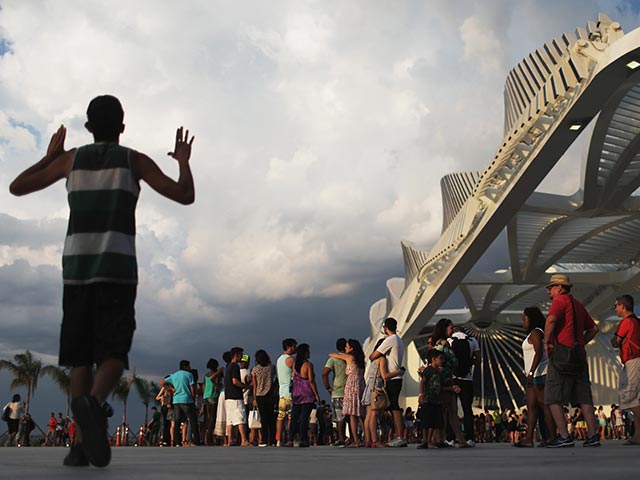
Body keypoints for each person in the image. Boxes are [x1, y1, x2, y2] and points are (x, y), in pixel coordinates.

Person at [9, 95, 195, 467]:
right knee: (113, 353)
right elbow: (184, 196)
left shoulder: (70, 160)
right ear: (122, 127)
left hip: (76, 272)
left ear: (89, 127)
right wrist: (184, 163)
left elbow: (17, 187)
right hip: (118, 271)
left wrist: (50, 155)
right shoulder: (134, 160)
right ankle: (92, 409)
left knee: (80, 359)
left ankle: (79, 446)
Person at [543, 274, 600, 447]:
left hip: (562, 355)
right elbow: (594, 329)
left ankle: (564, 436)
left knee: (552, 396)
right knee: (584, 396)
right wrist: (581, 341)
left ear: (559, 288)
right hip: (579, 355)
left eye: (551, 287)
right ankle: (592, 436)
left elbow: (551, 320)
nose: (548, 291)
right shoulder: (579, 305)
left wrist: (547, 342)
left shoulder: (559, 301)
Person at [514, 306, 556, 447]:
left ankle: (552, 437)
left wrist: (531, 372)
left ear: (531, 319)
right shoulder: (533, 333)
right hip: (533, 375)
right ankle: (528, 439)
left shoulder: (537, 333)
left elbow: (538, 353)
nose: (522, 322)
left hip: (539, 374)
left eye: (524, 319)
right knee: (531, 406)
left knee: (544, 405)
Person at [369, 317, 406, 447]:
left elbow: (373, 356)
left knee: (395, 408)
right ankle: (399, 435)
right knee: (394, 407)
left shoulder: (390, 340)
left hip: (392, 378)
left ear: (385, 328)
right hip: (396, 377)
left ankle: (400, 436)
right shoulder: (399, 340)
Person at [362, 338, 404, 448]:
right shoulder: (382, 359)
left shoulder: (373, 359)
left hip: (369, 386)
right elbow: (385, 375)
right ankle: (375, 441)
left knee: (369, 415)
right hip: (376, 387)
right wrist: (398, 372)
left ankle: (368, 440)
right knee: (374, 414)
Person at [611, 294, 640, 445]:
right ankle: (637, 436)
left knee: (627, 396)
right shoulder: (636, 321)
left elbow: (615, 342)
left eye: (616, 305)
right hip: (635, 361)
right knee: (634, 398)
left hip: (633, 362)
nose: (615, 308)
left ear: (623, 306)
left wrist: (614, 337)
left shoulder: (627, 322)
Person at [329, 339, 366, 447]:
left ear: (351, 349)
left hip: (351, 386)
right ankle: (366, 437)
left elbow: (332, 355)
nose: (345, 349)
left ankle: (356, 440)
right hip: (360, 385)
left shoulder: (350, 357)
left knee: (352, 415)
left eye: (347, 347)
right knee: (361, 414)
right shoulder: (360, 359)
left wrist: (338, 354)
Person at [448, 327, 481, 446]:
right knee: (467, 409)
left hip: (453, 379)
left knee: (451, 409)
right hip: (467, 379)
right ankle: (470, 438)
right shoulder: (472, 341)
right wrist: (467, 362)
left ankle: (450, 438)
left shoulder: (450, 341)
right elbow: (478, 360)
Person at [162, 360, 201, 446]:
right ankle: (196, 441)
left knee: (177, 421)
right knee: (192, 420)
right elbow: (192, 388)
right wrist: (193, 398)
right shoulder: (189, 375)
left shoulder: (174, 375)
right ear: (185, 366)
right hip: (187, 400)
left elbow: (162, 382)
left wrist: (171, 389)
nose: (190, 368)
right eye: (189, 366)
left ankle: (177, 442)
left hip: (176, 401)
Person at [289, 343, 320, 447]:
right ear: (305, 353)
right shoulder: (308, 365)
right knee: (304, 417)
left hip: (296, 392)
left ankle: (291, 438)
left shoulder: (295, 365)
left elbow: (294, 377)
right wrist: (316, 394)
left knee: (294, 417)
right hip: (307, 393)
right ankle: (303, 439)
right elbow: (311, 380)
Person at [322, 338, 348, 446]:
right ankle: (352, 437)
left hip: (337, 391)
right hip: (349, 390)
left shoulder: (333, 359)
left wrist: (328, 387)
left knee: (339, 417)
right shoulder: (349, 358)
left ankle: (341, 439)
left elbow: (324, 373)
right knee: (350, 416)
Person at [224, 347, 251, 446]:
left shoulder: (228, 366)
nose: (241, 357)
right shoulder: (235, 366)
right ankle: (244, 440)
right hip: (236, 396)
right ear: (236, 355)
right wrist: (245, 386)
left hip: (228, 397)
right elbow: (235, 381)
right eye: (241, 355)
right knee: (240, 418)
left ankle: (229, 440)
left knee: (230, 420)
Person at [252, 349, 276, 447]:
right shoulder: (271, 367)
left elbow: (255, 385)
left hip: (259, 395)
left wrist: (254, 398)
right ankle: (273, 440)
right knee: (271, 418)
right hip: (269, 394)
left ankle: (264, 439)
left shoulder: (255, 370)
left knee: (263, 418)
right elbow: (273, 379)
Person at [276, 338, 297, 447]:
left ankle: (278, 440)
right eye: (294, 346)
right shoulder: (291, 359)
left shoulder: (279, 359)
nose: (295, 348)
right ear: (289, 347)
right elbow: (295, 374)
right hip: (290, 393)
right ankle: (290, 438)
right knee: (290, 417)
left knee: (280, 417)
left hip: (282, 393)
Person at [202, 358, 224, 446]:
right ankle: (210, 438)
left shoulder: (206, 375)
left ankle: (207, 438)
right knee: (213, 418)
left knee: (208, 418)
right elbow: (216, 386)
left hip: (206, 396)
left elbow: (203, 386)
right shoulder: (216, 375)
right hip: (214, 396)